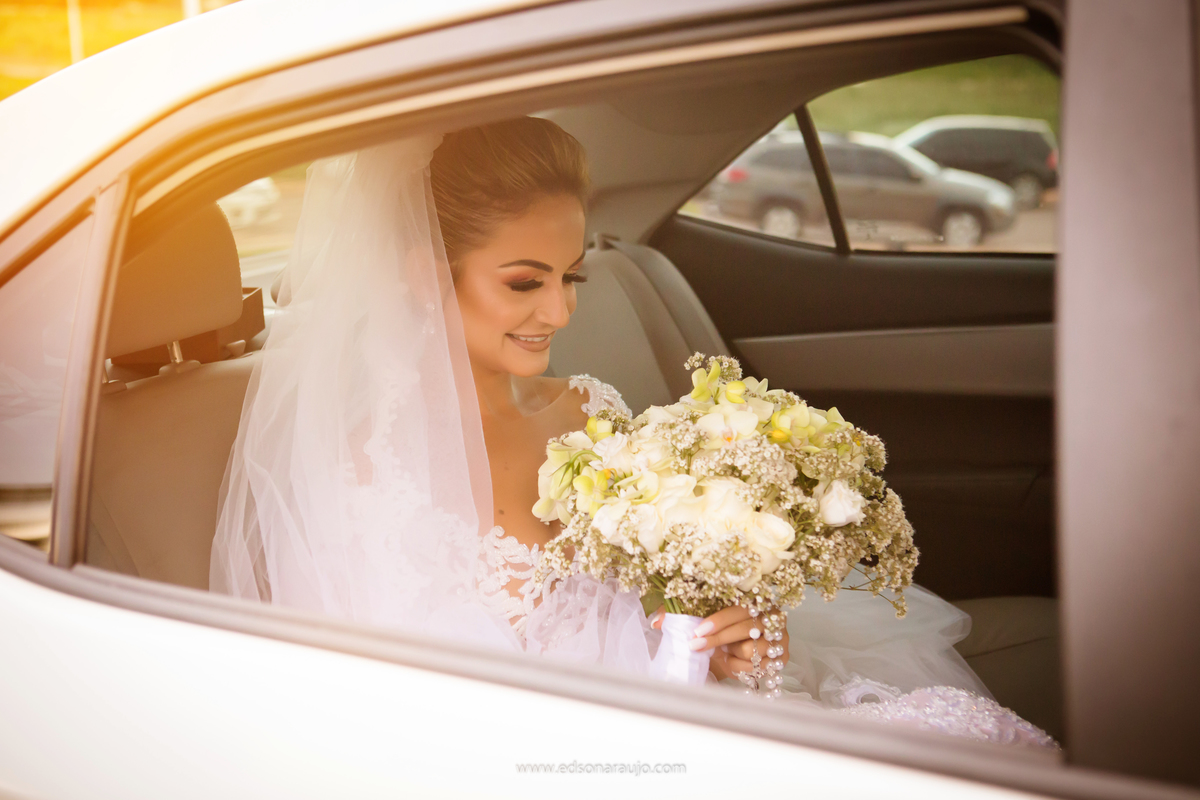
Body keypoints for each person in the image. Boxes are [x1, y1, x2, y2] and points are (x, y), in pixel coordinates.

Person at [211, 119, 1056, 749]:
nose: (561, 310)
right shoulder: (368, 474)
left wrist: (735, 641)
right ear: (427, 274)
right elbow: (428, 734)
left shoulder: (590, 410)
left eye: (571, 275)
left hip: (701, 725)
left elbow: (671, 609)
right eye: (523, 281)